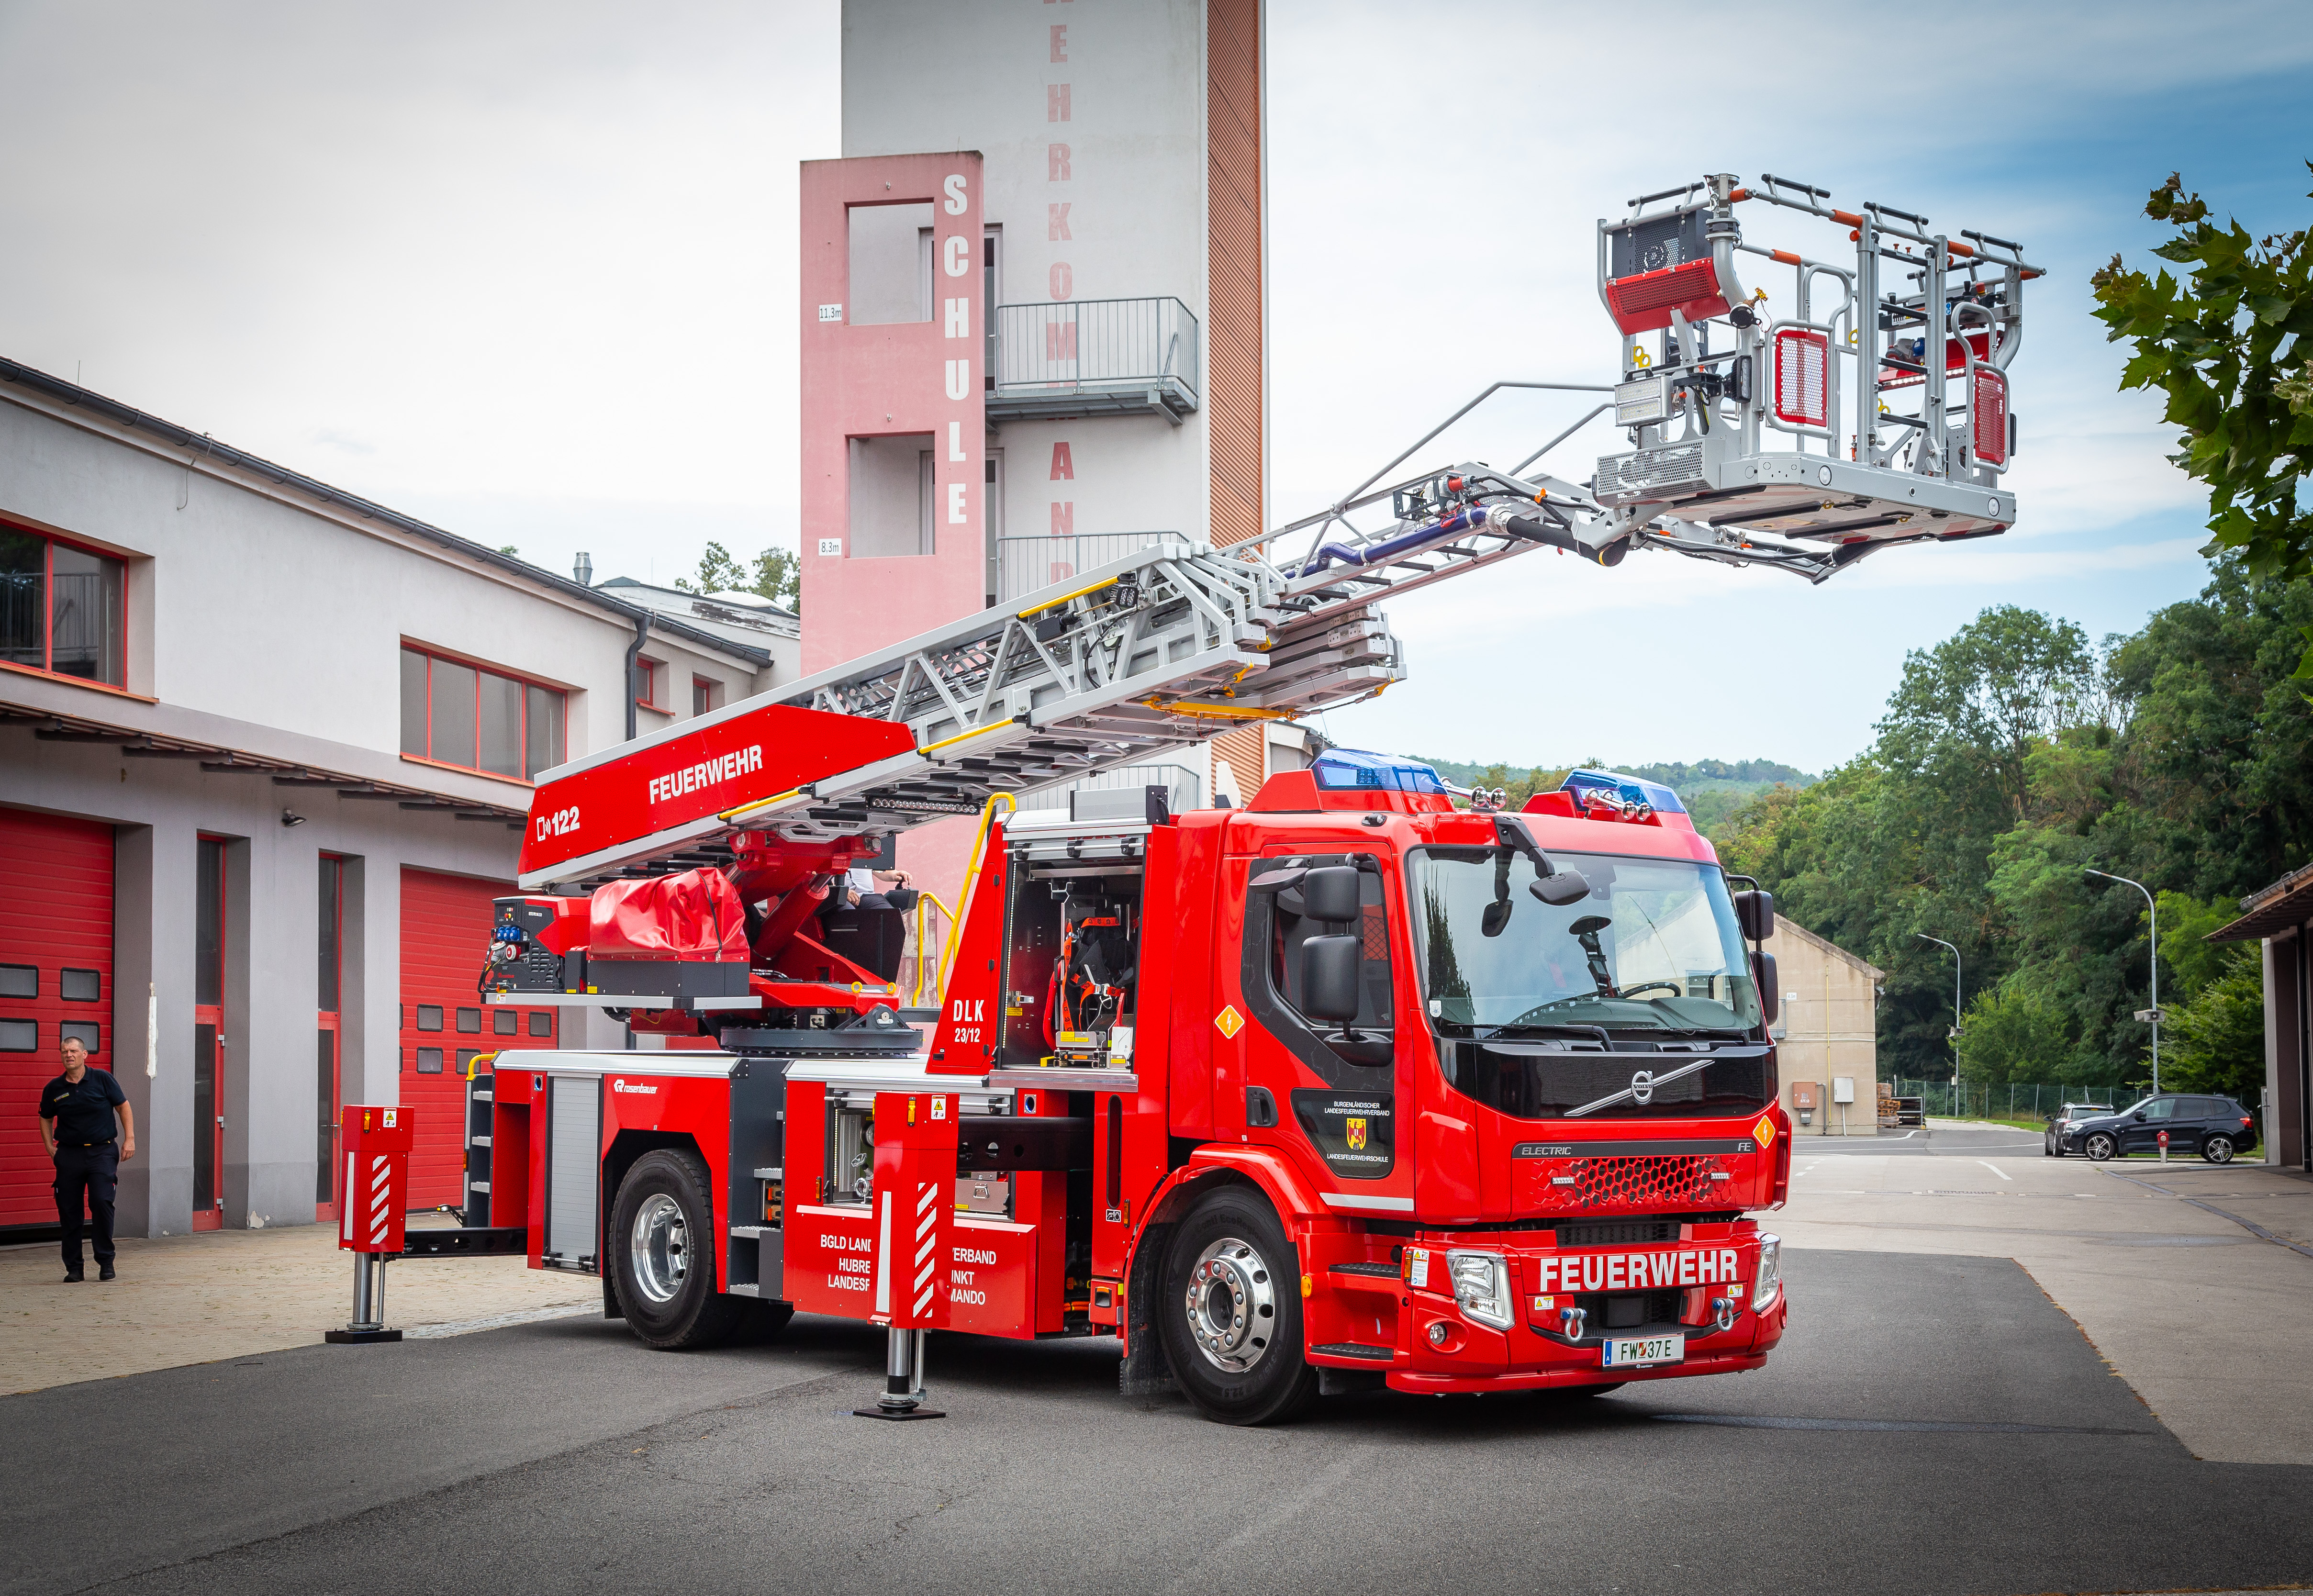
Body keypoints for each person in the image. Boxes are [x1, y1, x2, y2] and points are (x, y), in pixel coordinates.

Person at [39, 1035, 134, 1283]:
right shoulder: (54, 1089)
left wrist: (129, 1139)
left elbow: (123, 1106)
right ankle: (74, 1268)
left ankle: (105, 1261)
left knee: (101, 1201)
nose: (68, 1055)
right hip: (69, 1154)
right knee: (69, 1211)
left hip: (102, 1151)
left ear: (84, 1055)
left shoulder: (102, 1079)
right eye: (64, 1051)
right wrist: (50, 1146)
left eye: (73, 1051)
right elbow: (46, 1117)